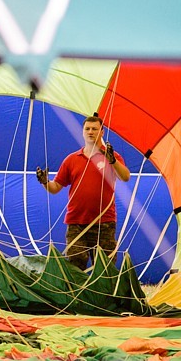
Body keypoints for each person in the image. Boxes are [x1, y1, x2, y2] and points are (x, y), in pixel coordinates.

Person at [36, 116, 130, 271]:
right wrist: (45, 182)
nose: (90, 132)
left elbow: (125, 177)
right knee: (75, 265)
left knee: (105, 268)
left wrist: (112, 161)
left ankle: (103, 295)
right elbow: (55, 188)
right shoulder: (72, 159)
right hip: (76, 223)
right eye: (87, 129)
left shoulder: (111, 157)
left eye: (94, 129)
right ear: (82, 132)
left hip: (104, 223)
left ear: (102, 132)